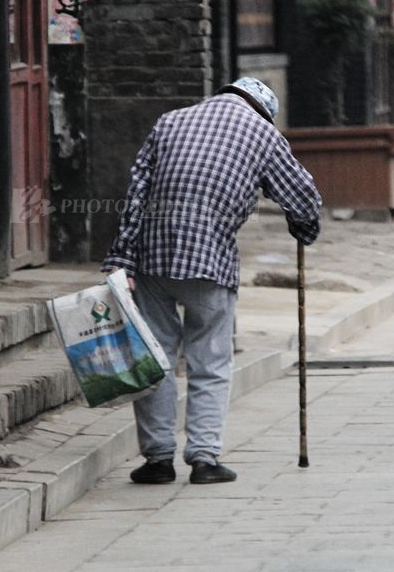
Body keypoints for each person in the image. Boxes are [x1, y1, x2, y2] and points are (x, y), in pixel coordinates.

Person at [102, 77, 322, 484]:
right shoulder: (263, 133)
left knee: (157, 359)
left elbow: (135, 195)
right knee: (211, 360)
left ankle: (158, 460)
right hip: (210, 259)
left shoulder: (169, 121)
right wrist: (303, 226)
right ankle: (204, 459)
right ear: (262, 110)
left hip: (154, 256)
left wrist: (120, 260)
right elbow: (302, 196)